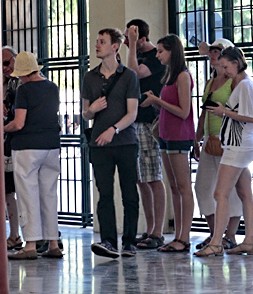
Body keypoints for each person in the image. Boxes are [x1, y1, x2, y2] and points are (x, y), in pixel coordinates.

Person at [195, 46, 253, 257]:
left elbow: (250, 117)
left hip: (238, 145)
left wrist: (224, 112)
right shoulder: (241, 85)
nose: (224, 70)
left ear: (236, 62)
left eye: (226, 66)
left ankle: (217, 241)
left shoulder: (244, 86)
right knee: (244, 193)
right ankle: (247, 240)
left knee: (220, 193)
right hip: (239, 144)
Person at [83, 28, 140, 259]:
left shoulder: (129, 76)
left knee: (129, 194)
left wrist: (113, 129)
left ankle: (129, 242)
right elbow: (85, 114)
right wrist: (91, 110)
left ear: (115, 46)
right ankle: (108, 241)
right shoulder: (90, 77)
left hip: (125, 142)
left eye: (102, 41)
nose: (97, 45)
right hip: (99, 144)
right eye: (97, 41)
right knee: (104, 193)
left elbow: (132, 113)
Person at [3, 51, 63, 260]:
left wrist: (2, 128)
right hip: (52, 146)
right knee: (49, 195)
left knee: (28, 195)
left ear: (24, 74)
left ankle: (30, 245)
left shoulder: (24, 90)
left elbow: (19, 123)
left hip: (27, 147)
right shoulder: (52, 87)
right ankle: (53, 243)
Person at [143, 34, 194, 252]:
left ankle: (184, 236)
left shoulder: (183, 76)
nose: (158, 55)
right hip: (165, 135)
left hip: (179, 135)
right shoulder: (170, 75)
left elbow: (184, 111)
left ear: (172, 51)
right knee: (174, 186)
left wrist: (157, 101)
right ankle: (178, 235)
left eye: (161, 51)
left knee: (183, 187)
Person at [192, 38, 242, 250]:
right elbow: (205, 111)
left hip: (230, 141)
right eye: (212, 51)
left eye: (218, 51)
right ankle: (215, 234)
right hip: (211, 141)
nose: (213, 55)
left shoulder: (236, 82)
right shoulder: (210, 83)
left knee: (230, 191)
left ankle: (229, 235)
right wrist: (197, 137)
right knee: (203, 188)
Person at [124, 19, 166, 250]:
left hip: (150, 122)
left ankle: (158, 231)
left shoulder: (154, 59)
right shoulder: (135, 54)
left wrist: (130, 45)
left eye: (131, 36)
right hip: (135, 121)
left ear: (141, 38)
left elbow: (133, 74)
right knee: (141, 179)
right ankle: (149, 228)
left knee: (153, 176)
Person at [2, 46, 24, 250]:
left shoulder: (23, 84)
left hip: (23, 143)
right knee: (8, 192)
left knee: (27, 191)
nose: (4, 68)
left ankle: (41, 236)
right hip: (5, 144)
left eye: (7, 63)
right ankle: (15, 234)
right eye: (0, 65)